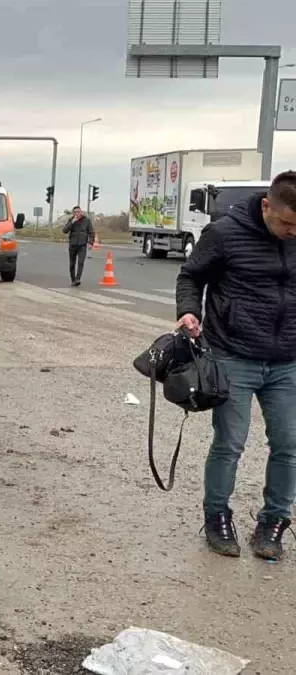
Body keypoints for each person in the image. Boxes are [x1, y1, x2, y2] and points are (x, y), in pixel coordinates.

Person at [176, 170, 296, 561]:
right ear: (267, 206)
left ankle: (274, 521)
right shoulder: (224, 233)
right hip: (234, 354)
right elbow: (191, 276)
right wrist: (189, 312)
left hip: (287, 360)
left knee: (289, 444)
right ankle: (216, 517)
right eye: (286, 224)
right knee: (230, 443)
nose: (292, 232)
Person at [62, 206, 95, 286]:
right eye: (75, 212)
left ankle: (77, 279)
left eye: (78, 212)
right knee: (72, 264)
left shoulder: (86, 220)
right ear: (73, 213)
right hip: (73, 245)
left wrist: (91, 243)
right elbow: (65, 231)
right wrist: (72, 222)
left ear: (81, 212)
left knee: (81, 262)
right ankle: (73, 279)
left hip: (82, 245)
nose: (77, 213)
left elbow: (91, 232)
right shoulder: (71, 220)